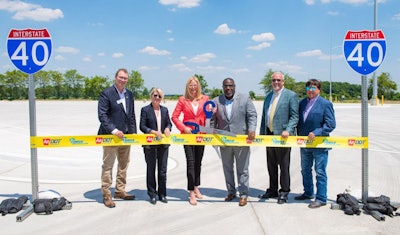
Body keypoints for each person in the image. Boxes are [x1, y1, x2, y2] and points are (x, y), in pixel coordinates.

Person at [211, 78, 257, 207]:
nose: (228, 88)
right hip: (224, 141)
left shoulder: (244, 98)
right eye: (226, 86)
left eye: (231, 86)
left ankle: (243, 194)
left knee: (242, 169)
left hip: (241, 139)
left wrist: (251, 129)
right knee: (227, 168)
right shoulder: (216, 101)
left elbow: (252, 115)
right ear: (222, 87)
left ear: (235, 86)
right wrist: (212, 134)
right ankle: (231, 192)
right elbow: (212, 120)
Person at [98, 68, 137, 208]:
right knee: (108, 165)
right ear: (115, 78)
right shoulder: (106, 93)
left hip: (126, 137)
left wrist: (133, 134)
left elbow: (131, 115)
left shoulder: (129, 94)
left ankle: (120, 190)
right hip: (110, 136)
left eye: (125, 78)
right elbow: (102, 115)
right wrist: (114, 131)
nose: (123, 80)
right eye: (120, 77)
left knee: (124, 164)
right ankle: (107, 194)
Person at [295, 79, 336, 208]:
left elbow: (330, 124)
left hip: (319, 145)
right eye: (308, 89)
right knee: (305, 170)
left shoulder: (325, 104)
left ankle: (321, 198)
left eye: (313, 88)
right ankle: (308, 192)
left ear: (319, 89)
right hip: (305, 145)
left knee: (320, 172)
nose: (310, 91)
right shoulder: (301, 103)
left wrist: (317, 132)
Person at [259, 71, 299, 204]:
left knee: (283, 165)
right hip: (269, 135)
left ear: (283, 81)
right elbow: (265, 116)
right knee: (271, 165)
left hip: (283, 137)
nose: (276, 82)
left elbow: (294, 116)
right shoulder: (268, 96)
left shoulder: (290, 96)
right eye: (273, 80)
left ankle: (284, 191)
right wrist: (262, 136)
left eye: (278, 80)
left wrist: (288, 130)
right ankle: (272, 189)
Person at [171, 76, 209, 206]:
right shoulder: (183, 100)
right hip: (187, 136)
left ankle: (196, 186)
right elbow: (174, 117)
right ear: (187, 87)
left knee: (198, 162)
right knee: (191, 163)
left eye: (195, 85)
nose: (193, 87)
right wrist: (183, 128)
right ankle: (191, 192)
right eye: (190, 85)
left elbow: (209, 116)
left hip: (200, 136)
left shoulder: (205, 99)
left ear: (198, 86)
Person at [140, 88, 172, 205]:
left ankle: (162, 194)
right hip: (150, 145)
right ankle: (152, 194)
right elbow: (142, 126)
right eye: (155, 95)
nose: (157, 98)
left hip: (163, 144)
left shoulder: (164, 110)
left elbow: (169, 122)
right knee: (151, 169)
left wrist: (168, 128)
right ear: (151, 96)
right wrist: (153, 132)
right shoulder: (145, 110)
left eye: (159, 96)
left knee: (162, 171)